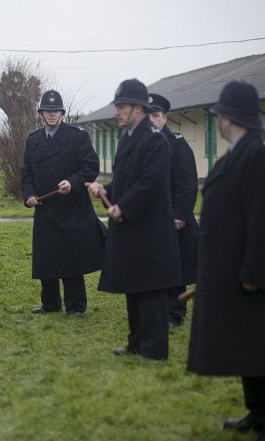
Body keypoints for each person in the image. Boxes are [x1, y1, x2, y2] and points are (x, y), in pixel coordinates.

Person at [187, 80, 265, 441]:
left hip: (248, 273)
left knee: (257, 344)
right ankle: (258, 413)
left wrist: (254, 271)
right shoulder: (238, 151)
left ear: (228, 118)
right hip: (228, 267)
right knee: (249, 345)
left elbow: (260, 217)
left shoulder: (255, 155)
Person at [86, 79, 180, 361]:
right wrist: (107, 190)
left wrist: (122, 207)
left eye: (121, 106)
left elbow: (151, 184)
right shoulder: (129, 137)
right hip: (132, 228)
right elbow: (128, 180)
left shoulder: (154, 139)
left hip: (149, 229)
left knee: (150, 290)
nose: (116, 112)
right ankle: (136, 342)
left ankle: (154, 349)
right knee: (134, 286)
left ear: (138, 108)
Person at [21, 90, 106, 316]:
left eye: (56, 111)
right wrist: (29, 195)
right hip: (44, 208)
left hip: (72, 207)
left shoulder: (77, 136)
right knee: (46, 256)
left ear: (62, 113)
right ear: (40, 114)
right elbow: (26, 173)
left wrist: (73, 182)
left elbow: (90, 167)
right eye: (47, 111)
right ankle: (50, 303)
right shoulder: (33, 140)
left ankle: (76, 306)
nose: (52, 115)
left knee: (71, 257)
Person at [148, 93, 199, 328]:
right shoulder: (145, 146)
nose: (151, 120)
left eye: (156, 115)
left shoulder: (177, 145)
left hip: (174, 219)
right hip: (151, 219)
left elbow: (188, 183)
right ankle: (158, 310)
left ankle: (175, 314)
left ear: (164, 118)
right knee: (156, 265)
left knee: (176, 268)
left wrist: (180, 215)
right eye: (147, 115)